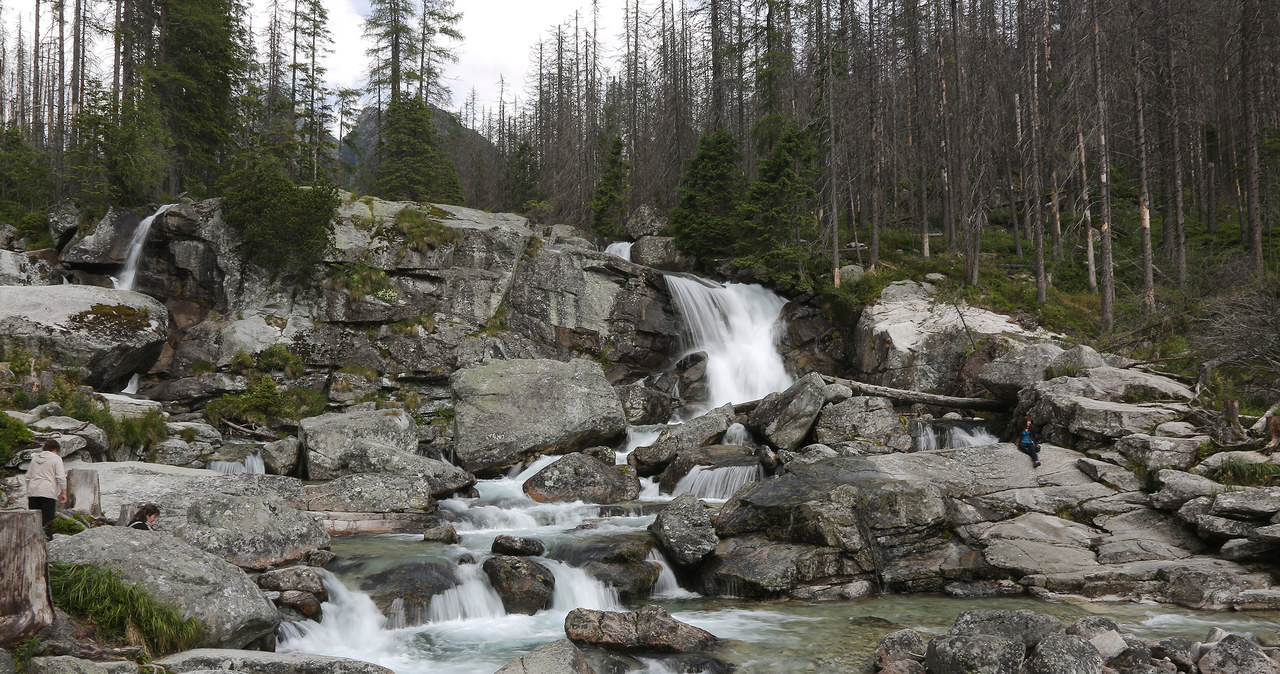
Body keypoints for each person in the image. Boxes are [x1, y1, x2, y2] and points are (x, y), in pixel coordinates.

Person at [26, 438, 67, 540]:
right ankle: (47, 542)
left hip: (33, 491)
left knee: (34, 520)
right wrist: (64, 492)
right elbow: (61, 477)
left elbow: (28, 477)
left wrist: (29, 489)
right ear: (56, 449)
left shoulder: (35, 458)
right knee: (47, 521)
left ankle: (33, 542)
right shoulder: (56, 459)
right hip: (48, 492)